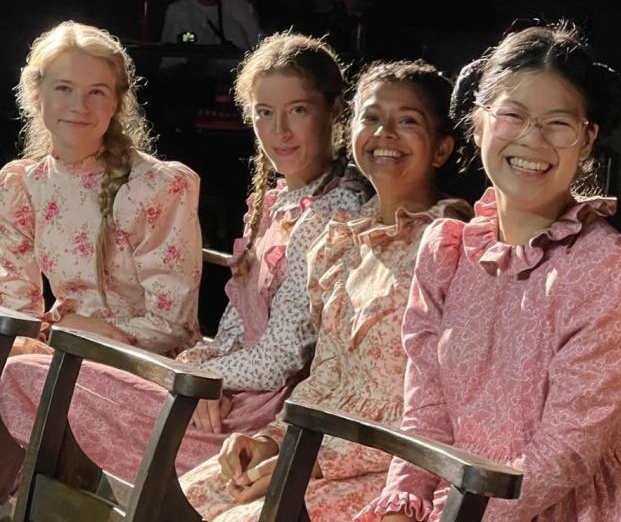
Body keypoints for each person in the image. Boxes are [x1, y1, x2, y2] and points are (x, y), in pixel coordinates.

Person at [0, 31, 368, 483]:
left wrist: (194, 374)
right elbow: (235, 327)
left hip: (227, 391)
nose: (279, 131)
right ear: (35, 94)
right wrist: (200, 368)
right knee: (16, 369)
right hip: (201, 374)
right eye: (265, 113)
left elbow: (276, 354)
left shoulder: (334, 211)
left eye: (298, 111)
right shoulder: (278, 201)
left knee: (19, 376)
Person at [358, 22, 621, 521]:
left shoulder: (616, 269)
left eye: (558, 123)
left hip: (576, 506)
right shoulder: (445, 251)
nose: (532, 140)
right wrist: (403, 503)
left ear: (587, 138)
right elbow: (425, 412)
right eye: (512, 115)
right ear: (478, 123)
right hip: (458, 499)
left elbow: (567, 452)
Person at [180, 60, 472, 520]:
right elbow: (327, 381)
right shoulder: (338, 242)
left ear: (441, 149)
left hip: (392, 469)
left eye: (408, 121)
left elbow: (440, 411)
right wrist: (270, 439)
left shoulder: (452, 246)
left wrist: (309, 462)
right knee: (176, 500)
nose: (385, 133)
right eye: (371, 118)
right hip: (311, 447)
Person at [0, 20, 202, 356]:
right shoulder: (22, 186)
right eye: (63, 88)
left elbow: (172, 328)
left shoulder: (156, 187)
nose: (80, 106)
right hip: (56, 355)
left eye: (97, 91)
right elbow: (15, 311)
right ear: (36, 96)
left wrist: (81, 332)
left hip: (142, 365)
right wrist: (54, 333)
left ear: (115, 104)